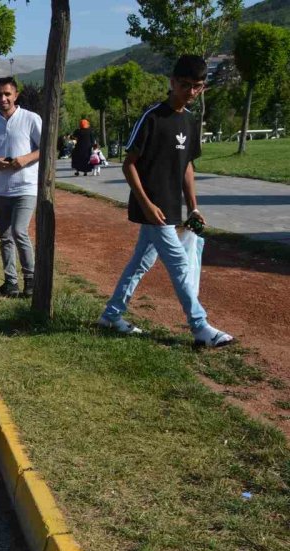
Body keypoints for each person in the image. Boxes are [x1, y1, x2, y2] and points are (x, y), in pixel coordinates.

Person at [98, 54, 234, 348]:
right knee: (179, 265)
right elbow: (128, 164)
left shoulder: (189, 120)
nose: (191, 91)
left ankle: (111, 315)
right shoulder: (153, 118)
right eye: (185, 85)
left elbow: (187, 166)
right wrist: (146, 204)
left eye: (198, 86)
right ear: (172, 82)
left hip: (172, 209)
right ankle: (199, 326)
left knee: (139, 265)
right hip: (153, 209)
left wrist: (193, 206)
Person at [0, 76, 42, 298]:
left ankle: (31, 281)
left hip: (25, 188)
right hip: (0, 190)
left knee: (19, 231)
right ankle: (10, 284)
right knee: (4, 236)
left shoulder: (31, 119)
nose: (3, 98)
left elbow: (45, 148)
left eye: (7, 94)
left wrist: (25, 159)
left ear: (16, 95)